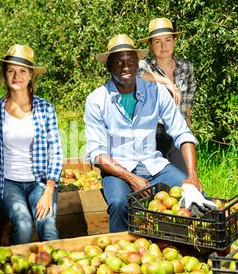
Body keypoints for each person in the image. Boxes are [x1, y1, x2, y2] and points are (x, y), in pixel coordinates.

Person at [84, 34, 213, 232]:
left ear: (138, 63)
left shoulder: (156, 92)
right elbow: (96, 153)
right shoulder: (97, 100)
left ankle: (198, 250)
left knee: (197, 198)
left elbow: (182, 133)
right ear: (109, 66)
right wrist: (130, 177)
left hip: (154, 165)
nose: (125, 66)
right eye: (119, 61)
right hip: (118, 170)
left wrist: (192, 176)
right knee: (119, 204)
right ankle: (120, 254)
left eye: (130, 60)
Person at [0, 44, 63, 244]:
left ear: (30, 76)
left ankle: (53, 270)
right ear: (4, 75)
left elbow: (56, 152)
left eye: (22, 71)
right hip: (7, 182)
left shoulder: (45, 109)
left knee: (48, 223)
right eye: (10, 71)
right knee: (24, 223)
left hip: (39, 182)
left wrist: (49, 191)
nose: (16, 76)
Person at [138, 17, 197, 174]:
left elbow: (188, 105)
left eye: (168, 40)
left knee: (184, 182)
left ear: (174, 41)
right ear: (150, 45)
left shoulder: (186, 67)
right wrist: (165, 81)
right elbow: (136, 74)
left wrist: (188, 133)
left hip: (179, 133)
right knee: (156, 187)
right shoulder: (145, 66)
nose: (164, 46)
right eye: (158, 42)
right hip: (154, 136)